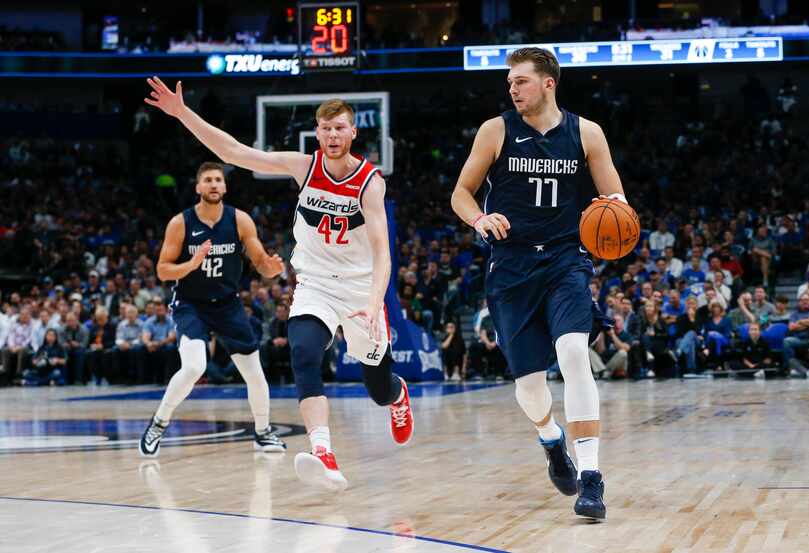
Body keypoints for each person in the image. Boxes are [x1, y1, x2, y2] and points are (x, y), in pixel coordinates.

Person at [144, 79, 414, 489]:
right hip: (316, 283)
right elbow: (235, 152)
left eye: (340, 127)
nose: (333, 135)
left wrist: (375, 301)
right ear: (317, 132)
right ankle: (323, 451)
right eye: (326, 129)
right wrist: (184, 114)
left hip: (361, 290)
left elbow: (382, 253)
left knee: (378, 388)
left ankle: (397, 396)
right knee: (303, 353)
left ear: (354, 131)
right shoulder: (304, 166)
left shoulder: (369, 182)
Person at [450, 47, 623, 519]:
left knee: (573, 354)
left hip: (567, 260)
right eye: (510, 82)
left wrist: (613, 218)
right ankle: (551, 438)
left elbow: (614, 197)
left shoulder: (586, 133)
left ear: (548, 83)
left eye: (521, 81)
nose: (512, 88)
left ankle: (591, 476)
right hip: (511, 265)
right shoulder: (496, 130)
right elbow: (461, 193)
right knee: (528, 388)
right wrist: (480, 218)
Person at [138, 161, 287, 457]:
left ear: (225, 187)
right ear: (198, 187)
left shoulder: (240, 220)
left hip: (228, 304)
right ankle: (159, 422)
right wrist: (191, 264)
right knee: (195, 366)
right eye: (208, 180)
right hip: (191, 304)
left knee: (255, 374)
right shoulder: (180, 223)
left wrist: (271, 268)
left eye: (218, 180)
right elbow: (163, 271)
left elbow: (259, 260)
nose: (214, 185)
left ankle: (262, 432)